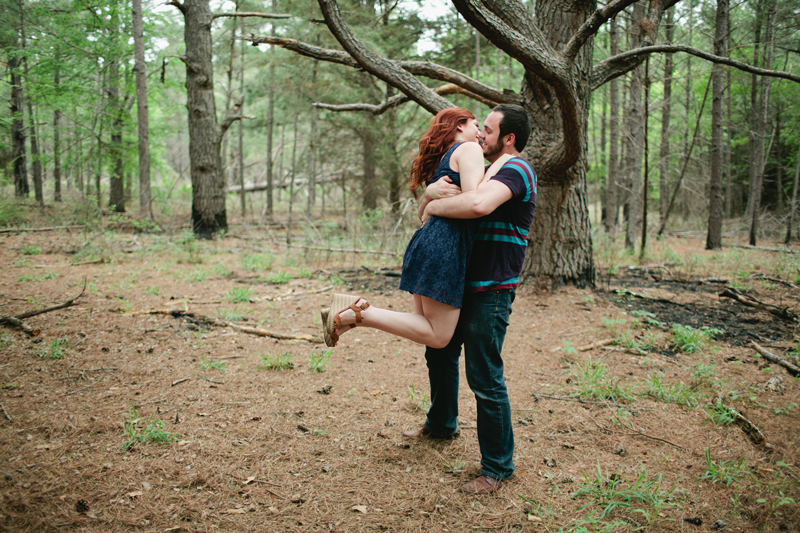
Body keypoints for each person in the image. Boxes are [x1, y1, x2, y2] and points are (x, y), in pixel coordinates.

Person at [405, 104, 536, 496]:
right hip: (459, 281)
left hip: (492, 289)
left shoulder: (516, 169)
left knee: (484, 375)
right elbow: (435, 216)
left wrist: (432, 203)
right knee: (439, 353)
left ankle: (497, 468)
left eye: (489, 129)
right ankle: (442, 423)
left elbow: (476, 204)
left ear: (508, 138)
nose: (481, 135)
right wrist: (428, 197)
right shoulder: (480, 167)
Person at [321, 107, 510, 348]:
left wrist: (428, 198)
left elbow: (429, 207)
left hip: (428, 242)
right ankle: (358, 311)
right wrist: (500, 164)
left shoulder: (445, 157)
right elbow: (472, 200)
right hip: (446, 246)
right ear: (459, 126)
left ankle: (349, 319)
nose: (480, 134)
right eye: (475, 125)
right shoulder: (469, 148)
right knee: (439, 336)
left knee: (423, 323)